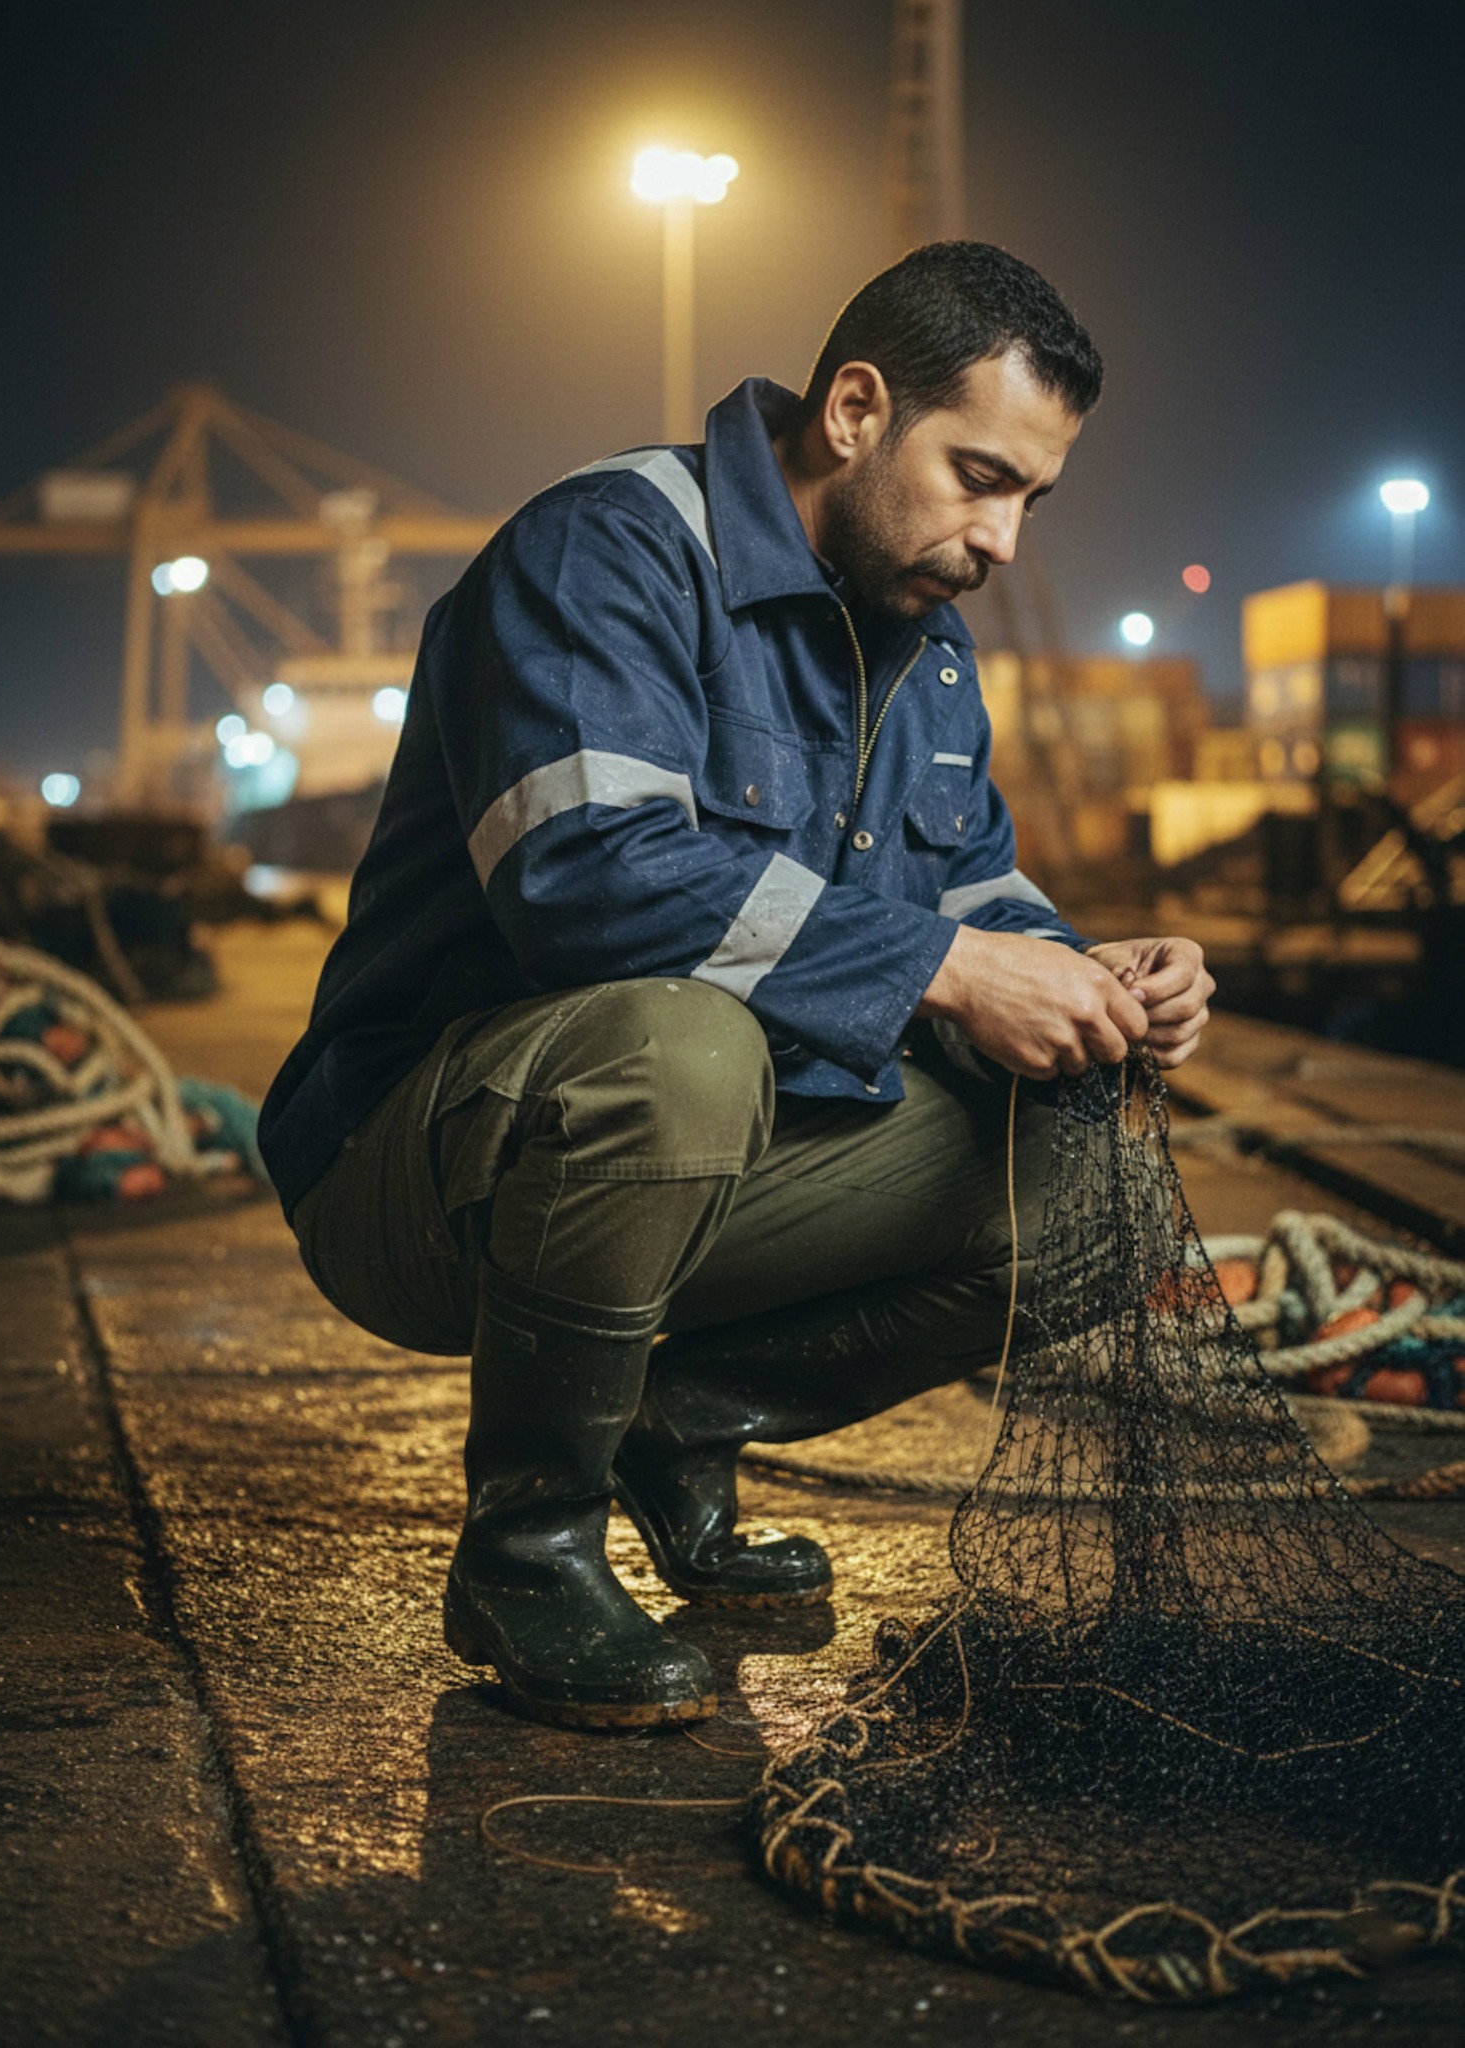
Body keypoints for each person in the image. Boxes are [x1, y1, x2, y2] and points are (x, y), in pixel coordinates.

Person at [259, 241, 1214, 1731]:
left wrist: (1096, 974)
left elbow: (967, 894)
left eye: (1032, 498)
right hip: (420, 1168)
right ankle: (527, 1550)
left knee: (1100, 1184)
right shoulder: (611, 549)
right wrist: (955, 973)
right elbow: (587, 877)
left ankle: (665, 1420)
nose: (1005, 540)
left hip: (694, 1165)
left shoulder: (923, 647)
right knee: (675, 1042)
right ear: (852, 410)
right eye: (979, 475)